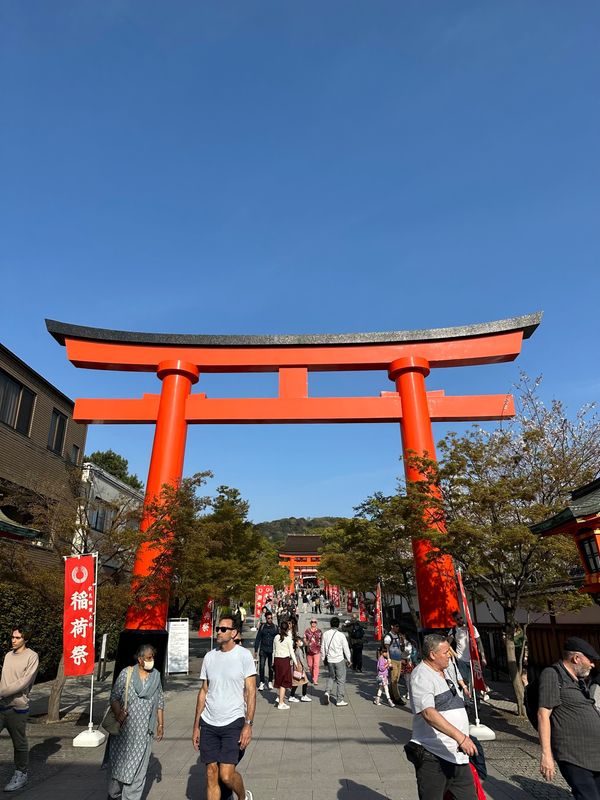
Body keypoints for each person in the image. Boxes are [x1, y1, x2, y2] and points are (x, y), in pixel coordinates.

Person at [407, 634, 478, 800]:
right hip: (434, 756)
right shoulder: (421, 675)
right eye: (446, 652)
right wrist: (460, 737)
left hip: (457, 755)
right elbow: (428, 713)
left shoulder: (446, 670)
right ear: (432, 655)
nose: (450, 655)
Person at [192, 615, 255, 800]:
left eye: (223, 629)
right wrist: (196, 725)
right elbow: (203, 691)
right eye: (217, 628)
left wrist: (248, 724)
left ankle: (243, 797)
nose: (218, 632)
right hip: (209, 722)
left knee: (226, 775)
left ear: (234, 633)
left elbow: (251, 691)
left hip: (233, 721)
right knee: (211, 773)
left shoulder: (244, 656)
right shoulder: (210, 657)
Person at [538, 636, 600, 799]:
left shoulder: (578, 681)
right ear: (576, 658)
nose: (593, 664)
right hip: (574, 755)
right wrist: (546, 755)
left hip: (594, 755)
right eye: (590, 660)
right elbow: (543, 714)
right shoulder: (552, 675)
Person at [107, 644, 164, 800]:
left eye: (153, 657)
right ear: (140, 659)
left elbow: (160, 701)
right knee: (120, 769)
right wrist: (119, 713)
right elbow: (114, 697)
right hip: (124, 732)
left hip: (144, 733)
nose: (151, 660)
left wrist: (160, 724)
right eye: (148, 657)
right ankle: (114, 795)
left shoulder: (156, 676)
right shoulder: (127, 673)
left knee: (139, 770)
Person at [0, 626, 39, 793]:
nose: (13, 640)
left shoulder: (32, 656)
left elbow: (23, 682)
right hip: (1, 704)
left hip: (18, 707)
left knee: (19, 743)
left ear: (26, 639)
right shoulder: (8, 655)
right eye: (12, 637)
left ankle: (21, 774)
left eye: (17, 638)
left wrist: (1, 692)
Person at [451, 612, 487, 689]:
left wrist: (483, 657)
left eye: (461, 618)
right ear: (455, 620)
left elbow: (479, 642)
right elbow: (447, 644)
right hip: (461, 659)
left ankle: (475, 695)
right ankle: (468, 699)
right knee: (465, 680)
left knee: (475, 679)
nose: (460, 620)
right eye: (457, 619)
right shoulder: (454, 630)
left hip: (473, 658)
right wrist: (455, 655)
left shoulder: (472, 628)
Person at [321, 617, 351, 707]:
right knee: (341, 680)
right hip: (339, 659)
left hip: (330, 659)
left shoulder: (325, 634)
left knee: (331, 677)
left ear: (330, 624)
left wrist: (323, 658)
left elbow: (323, 647)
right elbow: (345, 648)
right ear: (338, 625)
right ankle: (339, 699)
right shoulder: (341, 635)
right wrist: (349, 659)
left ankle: (327, 692)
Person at [273, 620, 298, 710]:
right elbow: (292, 652)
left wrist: (273, 661)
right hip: (284, 660)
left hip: (277, 660)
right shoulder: (288, 639)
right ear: (287, 629)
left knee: (279, 680)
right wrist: (296, 663)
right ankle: (281, 702)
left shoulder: (276, 637)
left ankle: (279, 698)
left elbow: (274, 650)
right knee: (284, 682)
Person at [383, 621, 409, 706]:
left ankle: (391, 695)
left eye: (398, 626)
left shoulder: (398, 636)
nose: (398, 628)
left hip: (398, 659)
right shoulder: (388, 637)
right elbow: (386, 650)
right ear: (392, 626)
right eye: (396, 626)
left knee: (396, 679)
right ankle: (397, 698)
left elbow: (400, 647)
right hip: (392, 660)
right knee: (394, 680)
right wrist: (388, 660)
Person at [254, 610, 277, 690]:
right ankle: (262, 682)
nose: (270, 619)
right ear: (266, 619)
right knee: (262, 666)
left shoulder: (275, 627)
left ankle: (270, 681)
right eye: (268, 618)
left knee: (271, 666)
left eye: (271, 618)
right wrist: (256, 650)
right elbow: (258, 638)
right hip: (263, 649)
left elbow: (278, 639)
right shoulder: (262, 627)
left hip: (272, 650)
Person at [289, 637, 312, 703]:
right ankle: (298, 696)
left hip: (296, 667)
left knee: (299, 682)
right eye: (299, 641)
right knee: (300, 682)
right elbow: (301, 660)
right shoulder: (298, 650)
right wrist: (306, 667)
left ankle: (295, 695)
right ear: (296, 643)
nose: (301, 642)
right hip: (299, 667)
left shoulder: (295, 649)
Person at [304, 618, 323, 685]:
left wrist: (321, 648)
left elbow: (321, 640)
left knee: (316, 665)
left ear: (316, 623)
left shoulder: (319, 631)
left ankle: (315, 679)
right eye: (312, 622)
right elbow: (304, 638)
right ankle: (312, 675)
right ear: (310, 623)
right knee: (310, 665)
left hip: (317, 650)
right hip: (309, 651)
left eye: (315, 622)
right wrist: (306, 643)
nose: (313, 623)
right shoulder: (307, 631)